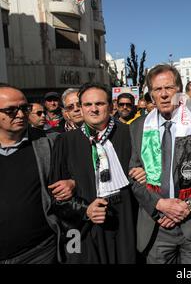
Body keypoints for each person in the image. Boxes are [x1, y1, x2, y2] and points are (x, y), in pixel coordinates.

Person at [129, 64, 191, 264]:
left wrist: (188, 206)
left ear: (179, 91)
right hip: (156, 224)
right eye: (157, 89)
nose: (164, 95)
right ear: (151, 94)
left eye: (169, 88)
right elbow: (133, 177)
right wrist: (159, 205)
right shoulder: (139, 126)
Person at [49, 83, 142, 264]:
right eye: (87, 105)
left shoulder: (130, 134)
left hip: (126, 225)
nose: (93, 109)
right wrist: (85, 210)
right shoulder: (65, 142)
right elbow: (57, 198)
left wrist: (144, 172)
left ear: (111, 106)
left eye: (99, 104)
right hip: (85, 229)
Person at [0, 84, 74, 264]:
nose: (20, 114)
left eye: (24, 108)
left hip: (39, 252)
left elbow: (83, 171)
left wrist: (73, 182)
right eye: (11, 110)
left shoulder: (50, 142)